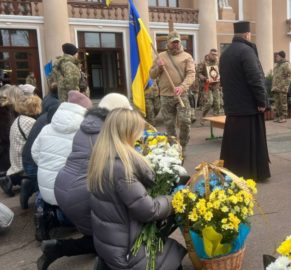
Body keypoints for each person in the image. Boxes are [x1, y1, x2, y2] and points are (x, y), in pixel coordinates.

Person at [38, 94, 132, 270]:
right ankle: (59, 249)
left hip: (65, 186)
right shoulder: (107, 133)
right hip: (82, 194)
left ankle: (56, 247)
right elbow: (121, 171)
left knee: (101, 234)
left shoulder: (87, 126)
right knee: (117, 237)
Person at [88, 108, 186, 270]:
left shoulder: (101, 158)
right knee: (173, 253)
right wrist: (175, 198)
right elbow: (150, 211)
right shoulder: (121, 168)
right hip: (127, 252)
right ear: (127, 133)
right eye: (137, 131)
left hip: (109, 245)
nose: (140, 136)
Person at [219, 21, 270, 182]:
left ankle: (233, 171)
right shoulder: (247, 51)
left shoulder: (225, 53)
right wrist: (262, 102)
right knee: (250, 143)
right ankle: (252, 173)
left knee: (234, 143)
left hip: (233, 108)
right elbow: (255, 79)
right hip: (248, 108)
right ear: (247, 35)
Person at [32, 90, 92, 206]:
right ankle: (62, 216)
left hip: (45, 189)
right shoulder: (84, 132)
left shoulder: (46, 128)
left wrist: (48, 166)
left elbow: (34, 153)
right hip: (70, 195)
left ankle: (46, 209)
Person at [150, 31, 195, 155]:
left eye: (177, 42)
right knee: (169, 124)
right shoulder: (160, 56)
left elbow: (191, 74)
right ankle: (174, 146)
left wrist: (182, 87)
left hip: (182, 94)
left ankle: (184, 145)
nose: (175, 44)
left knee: (185, 121)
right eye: (173, 42)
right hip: (165, 95)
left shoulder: (187, 56)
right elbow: (152, 75)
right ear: (168, 43)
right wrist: (158, 67)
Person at [1, 95, 41, 196]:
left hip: (15, 163)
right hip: (23, 165)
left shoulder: (18, 119)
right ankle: (28, 183)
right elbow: (39, 143)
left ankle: (11, 179)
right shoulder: (30, 122)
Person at [199, 49, 223, 124]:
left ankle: (216, 119)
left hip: (216, 85)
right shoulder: (203, 63)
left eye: (216, 54)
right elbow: (198, 73)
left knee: (217, 103)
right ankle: (203, 116)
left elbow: (222, 72)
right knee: (209, 102)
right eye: (213, 54)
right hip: (207, 85)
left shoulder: (218, 63)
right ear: (209, 54)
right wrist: (204, 78)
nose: (214, 56)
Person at [272, 50, 291, 123]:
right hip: (276, 87)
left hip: (282, 87)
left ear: (281, 57)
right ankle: (278, 116)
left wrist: (285, 86)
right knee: (277, 103)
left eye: (277, 56)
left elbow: (288, 77)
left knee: (283, 103)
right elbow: (275, 76)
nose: (276, 57)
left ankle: (284, 117)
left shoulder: (286, 64)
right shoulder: (277, 65)